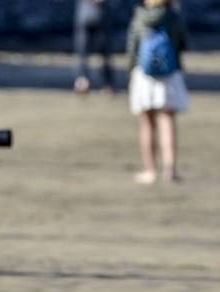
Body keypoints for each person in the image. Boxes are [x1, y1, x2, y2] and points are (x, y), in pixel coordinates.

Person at [126, 0, 188, 184]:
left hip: (143, 73)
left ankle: (150, 170)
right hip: (169, 72)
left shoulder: (139, 16)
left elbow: (132, 46)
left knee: (146, 122)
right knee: (167, 118)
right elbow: (183, 43)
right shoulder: (173, 17)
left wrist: (130, 70)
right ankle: (170, 169)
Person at [74, 0, 115, 94]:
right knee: (82, 52)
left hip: (101, 17)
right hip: (86, 17)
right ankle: (82, 81)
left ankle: (108, 84)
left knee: (104, 52)